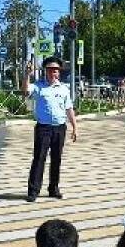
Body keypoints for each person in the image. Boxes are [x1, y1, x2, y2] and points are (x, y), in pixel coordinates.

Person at [25, 56, 77, 202]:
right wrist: (27, 75)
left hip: (60, 128)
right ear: (45, 71)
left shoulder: (64, 89)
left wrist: (75, 127)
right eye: (50, 70)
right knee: (39, 158)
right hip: (44, 128)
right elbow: (25, 92)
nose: (53, 73)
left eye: (55, 70)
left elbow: (69, 109)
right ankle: (33, 191)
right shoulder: (39, 86)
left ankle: (53, 189)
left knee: (56, 159)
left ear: (59, 72)